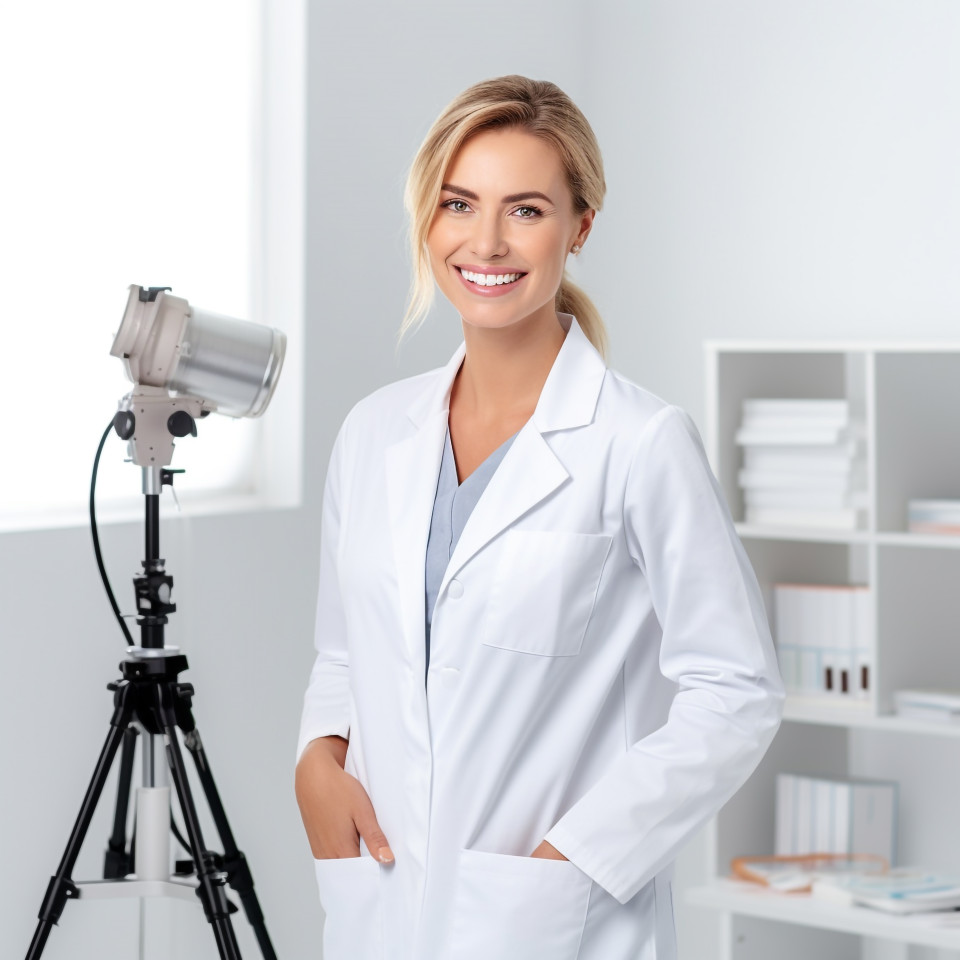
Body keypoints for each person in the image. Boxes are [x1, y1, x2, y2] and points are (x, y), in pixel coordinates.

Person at [295, 75, 784, 960]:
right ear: (427, 218)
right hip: (383, 898)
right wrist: (315, 761)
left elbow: (738, 690)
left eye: (525, 210)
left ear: (579, 227)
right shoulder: (375, 433)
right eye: (458, 204)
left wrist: (583, 852)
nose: (485, 241)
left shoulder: (640, 443)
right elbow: (345, 648)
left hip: (551, 920)